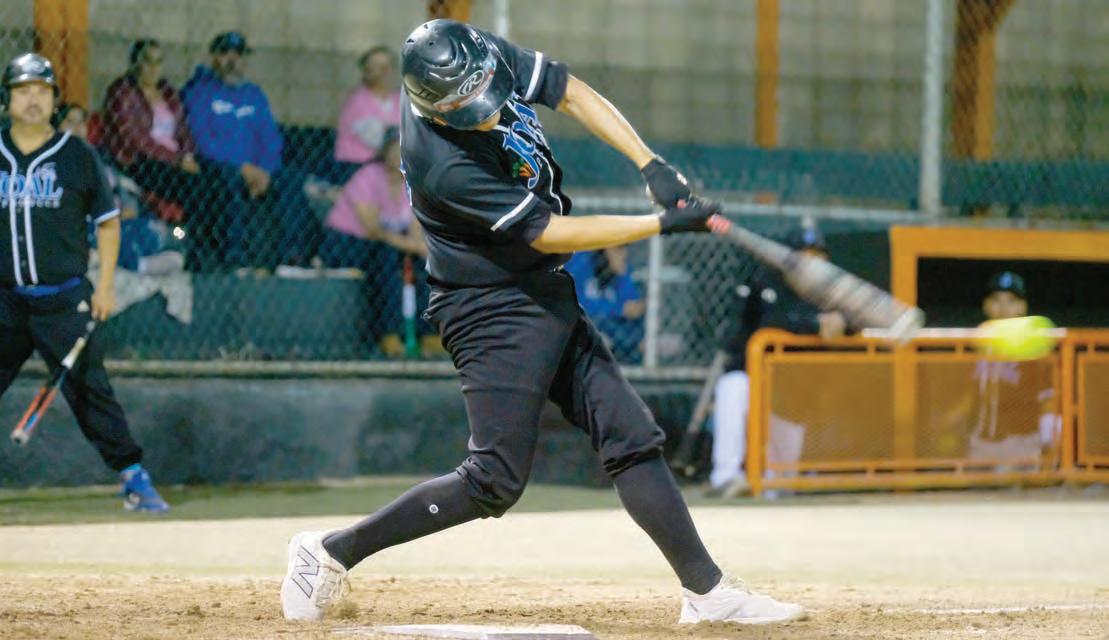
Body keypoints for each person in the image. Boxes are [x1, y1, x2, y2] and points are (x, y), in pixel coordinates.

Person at [280, 20, 805, 626]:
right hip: (489, 308)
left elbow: (571, 91)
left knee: (631, 436)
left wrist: (651, 164)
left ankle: (708, 592)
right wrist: (659, 224)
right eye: (465, 110)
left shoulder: (476, 55)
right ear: (432, 105)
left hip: (541, 288)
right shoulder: (442, 164)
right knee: (493, 480)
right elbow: (549, 232)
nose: (483, 115)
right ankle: (329, 553)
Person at [0, 53, 169, 512]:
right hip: (6, 302)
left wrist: (106, 286)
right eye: (23, 91)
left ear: (54, 99)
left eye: (42, 91)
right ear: (8, 99)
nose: (33, 100)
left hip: (63, 299)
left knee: (91, 392)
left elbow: (108, 223)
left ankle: (133, 477)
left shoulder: (77, 156)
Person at [707, 223, 846, 498]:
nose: (810, 263)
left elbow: (854, 322)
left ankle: (779, 487)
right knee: (734, 386)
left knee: (783, 484)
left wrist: (842, 323)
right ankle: (726, 477)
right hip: (753, 377)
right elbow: (769, 323)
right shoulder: (766, 281)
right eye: (803, 255)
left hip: (794, 391)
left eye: (817, 256)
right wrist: (814, 324)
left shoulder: (829, 292)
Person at [181, 31, 315, 271]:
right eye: (225, 53)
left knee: (292, 180)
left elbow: (271, 140)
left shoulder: (254, 95)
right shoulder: (198, 91)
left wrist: (264, 171)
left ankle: (291, 257)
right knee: (226, 180)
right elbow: (201, 140)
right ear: (213, 57)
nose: (232, 61)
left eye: (239, 55)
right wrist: (243, 168)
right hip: (221, 167)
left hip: (258, 170)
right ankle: (235, 258)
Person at [319, 126, 430, 356]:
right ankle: (387, 335)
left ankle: (429, 335)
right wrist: (414, 246)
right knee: (386, 259)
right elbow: (373, 230)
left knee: (426, 264)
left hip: (386, 245)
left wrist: (421, 248)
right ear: (385, 151)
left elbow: (415, 232)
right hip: (345, 243)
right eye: (395, 148)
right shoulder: (368, 176)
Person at [960, 272, 1058, 462]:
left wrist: (1048, 437)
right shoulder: (979, 344)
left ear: (1023, 307)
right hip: (981, 443)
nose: (1003, 308)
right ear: (986, 306)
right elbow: (971, 395)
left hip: (1021, 444)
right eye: (996, 300)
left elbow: (1048, 398)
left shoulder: (1034, 346)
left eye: (1012, 301)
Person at [101, 39, 200, 209]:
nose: (154, 68)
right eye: (148, 61)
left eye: (159, 62)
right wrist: (176, 160)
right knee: (195, 186)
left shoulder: (168, 92)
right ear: (134, 63)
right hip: (141, 162)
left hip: (176, 159)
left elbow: (183, 129)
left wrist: (188, 156)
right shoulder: (122, 92)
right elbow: (135, 139)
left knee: (222, 177)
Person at [564, 246, 645, 362]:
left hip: (613, 326)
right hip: (587, 324)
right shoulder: (580, 261)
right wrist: (618, 309)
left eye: (625, 247)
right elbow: (576, 302)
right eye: (618, 249)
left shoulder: (620, 266)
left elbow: (632, 304)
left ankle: (633, 348)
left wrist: (622, 275)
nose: (624, 254)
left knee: (630, 327)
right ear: (602, 250)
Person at [333, 46, 401, 181]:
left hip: (391, 165)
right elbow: (377, 140)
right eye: (377, 66)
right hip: (356, 165)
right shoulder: (358, 101)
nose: (384, 71)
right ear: (366, 71)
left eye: (387, 66)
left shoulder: (398, 100)